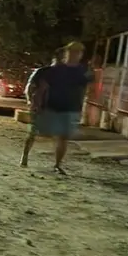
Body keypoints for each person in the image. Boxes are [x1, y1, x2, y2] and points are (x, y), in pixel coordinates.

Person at [19, 42, 91, 174]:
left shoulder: (82, 71)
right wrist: (34, 103)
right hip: (49, 106)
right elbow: (38, 88)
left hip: (69, 108)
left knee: (63, 137)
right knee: (34, 133)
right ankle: (25, 155)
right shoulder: (49, 71)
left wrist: (81, 108)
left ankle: (57, 165)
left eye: (78, 52)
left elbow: (84, 90)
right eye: (72, 52)